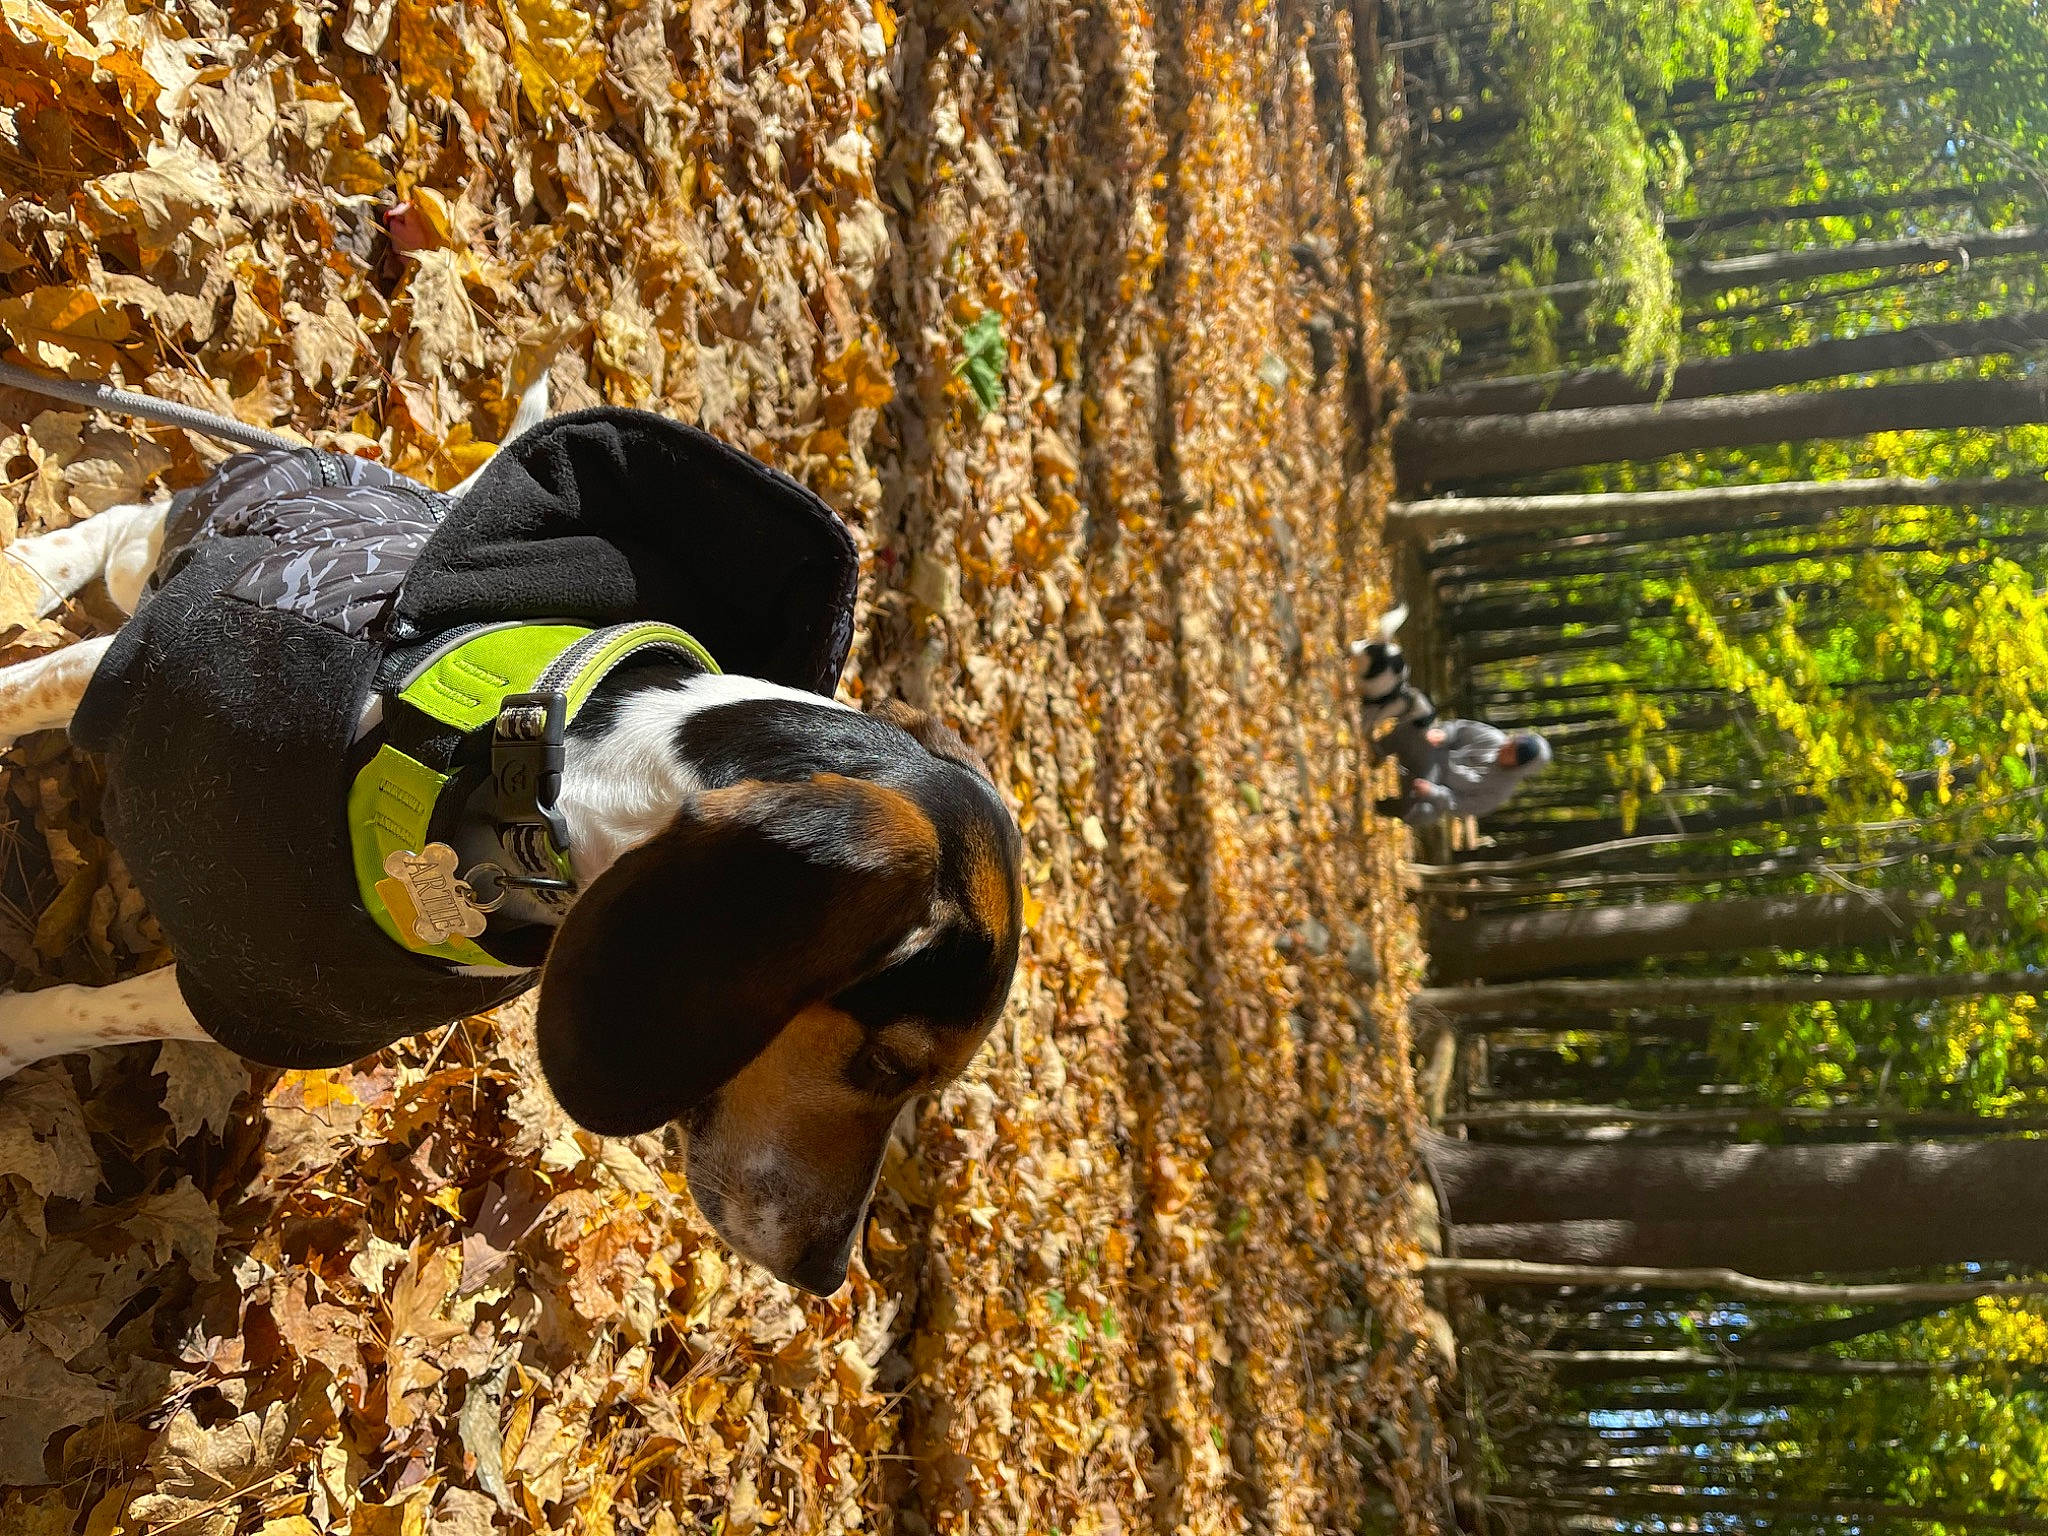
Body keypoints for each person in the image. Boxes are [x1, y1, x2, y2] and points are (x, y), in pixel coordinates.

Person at [1371, 713, 1551, 827]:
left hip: (1435, 787)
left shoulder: (1501, 791)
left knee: (1425, 813)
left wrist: (1433, 792)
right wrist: (1443, 734)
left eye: (1513, 753)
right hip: (1433, 757)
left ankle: (1381, 807)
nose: (1508, 747)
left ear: (1520, 767)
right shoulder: (1494, 738)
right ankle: (1377, 751)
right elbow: (1459, 728)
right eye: (1513, 742)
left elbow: (1459, 805)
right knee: (1420, 719)